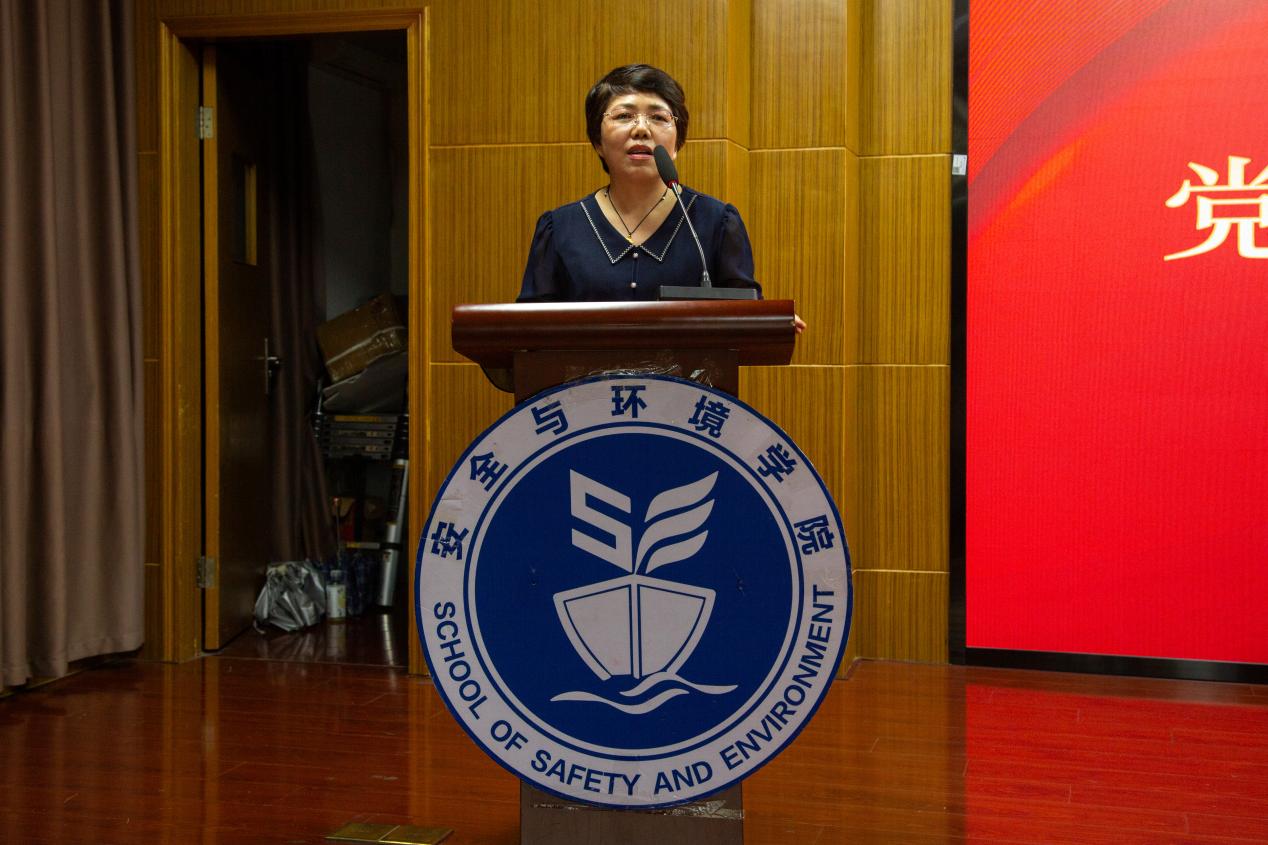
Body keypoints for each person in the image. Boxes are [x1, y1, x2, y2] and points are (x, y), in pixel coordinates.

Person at [517, 64, 763, 304]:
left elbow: (748, 318)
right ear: (598, 142)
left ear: (677, 144)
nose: (642, 129)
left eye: (658, 117)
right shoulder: (560, 228)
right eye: (624, 116)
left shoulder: (716, 223)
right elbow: (530, 326)